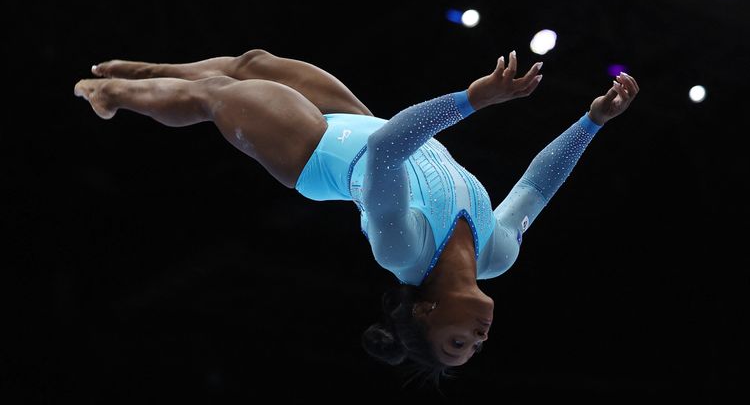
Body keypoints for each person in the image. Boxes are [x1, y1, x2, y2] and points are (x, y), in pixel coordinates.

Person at [74, 48, 639, 385]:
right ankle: (153, 70)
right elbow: (538, 185)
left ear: (426, 311)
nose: (478, 339)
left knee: (217, 93)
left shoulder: (403, 252)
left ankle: (114, 93)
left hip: (316, 152)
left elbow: (392, 148)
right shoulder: (498, 255)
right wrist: (592, 123)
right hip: (360, 122)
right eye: (474, 347)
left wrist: (474, 100)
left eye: (456, 344)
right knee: (255, 62)